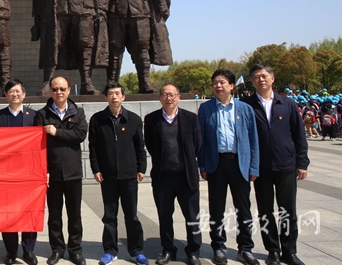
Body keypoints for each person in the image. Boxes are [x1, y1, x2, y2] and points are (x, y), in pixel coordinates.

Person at [242, 65, 309, 265]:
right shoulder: (247, 105)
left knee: (288, 211)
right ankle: (273, 250)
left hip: (285, 165)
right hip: (260, 167)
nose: (261, 79)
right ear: (252, 81)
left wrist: (302, 162)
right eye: (256, 77)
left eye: (264, 76)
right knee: (265, 211)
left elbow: (299, 135)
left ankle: (289, 251)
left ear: (272, 78)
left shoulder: (287, 103)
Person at [197, 69, 260, 265]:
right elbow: (202, 140)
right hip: (216, 164)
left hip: (240, 164)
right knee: (216, 208)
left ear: (232, 85)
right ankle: (219, 246)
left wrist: (254, 167)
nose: (218, 86)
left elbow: (253, 140)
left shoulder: (244, 109)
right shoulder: (206, 109)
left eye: (222, 82)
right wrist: (203, 164)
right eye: (215, 82)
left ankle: (245, 248)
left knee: (244, 209)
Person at [88, 82, 148, 265]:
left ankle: (136, 250)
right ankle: (110, 250)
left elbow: (140, 147)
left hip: (129, 175)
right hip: (108, 176)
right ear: (105, 97)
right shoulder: (97, 120)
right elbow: (93, 148)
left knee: (132, 215)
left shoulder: (134, 119)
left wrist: (141, 168)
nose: (114, 96)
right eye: (110, 94)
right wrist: (96, 169)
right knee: (109, 215)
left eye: (117, 93)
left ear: (123, 97)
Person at [144, 84, 202, 265]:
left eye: (172, 94)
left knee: (192, 216)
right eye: (165, 95)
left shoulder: (190, 118)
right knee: (164, 216)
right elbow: (151, 145)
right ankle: (168, 249)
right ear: (159, 98)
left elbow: (197, 144)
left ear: (179, 97)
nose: (169, 98)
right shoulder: (151, 119)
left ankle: (193, 251)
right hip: (163, 177)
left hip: (186, 176)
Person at [34, 76, 88, 265]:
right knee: (54, 215)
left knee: (75, 214)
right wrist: (44, 169)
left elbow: (80, 135)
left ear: (69, 90)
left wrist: (57, 132)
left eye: (62, 89)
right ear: (50, 91)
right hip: (52, 174)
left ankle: (75, 250)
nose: (59, 92)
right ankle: (57, 249)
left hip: (73, 173)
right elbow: (37, 146)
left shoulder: (78, 112)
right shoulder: (42, 114)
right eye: (55, 89)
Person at [0, 79, 38, 265]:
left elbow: (40, 147)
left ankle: (28, 250)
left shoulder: (34, 116)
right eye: (11, 91)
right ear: (6, 95)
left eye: (18, 91)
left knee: (29, 212)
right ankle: (11, 251)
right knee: (8, 214)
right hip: (6, 174)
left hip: (29, 173)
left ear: (24, 94)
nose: (15, 94)